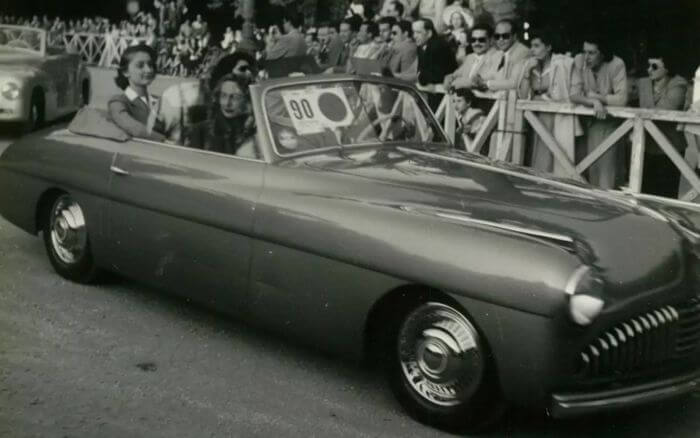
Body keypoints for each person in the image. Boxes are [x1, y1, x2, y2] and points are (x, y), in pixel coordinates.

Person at [518, 29, 581, 175]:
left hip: (556, 116)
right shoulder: (530, 65)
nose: (532, 50)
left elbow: (563, 94)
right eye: (531, 46)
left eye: (537, 46)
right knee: (536, 153)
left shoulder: (560, 64)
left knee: (556, 155)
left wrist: (542, 98)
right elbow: (523, 96)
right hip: (535, 116)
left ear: (548, 47)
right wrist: (527, 72)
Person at [570, 35, 628, 189]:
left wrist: (597, 97)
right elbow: (574, 95)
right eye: (585, 52)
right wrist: (593, 102)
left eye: (592, 53)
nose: (586, 57)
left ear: (602, 53)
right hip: (583, 126)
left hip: (608, 125)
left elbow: (622, 99)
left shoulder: (616, 64)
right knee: (583, 176)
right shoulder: (579, 60)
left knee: (606, 177)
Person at [637, 50, 688, 197]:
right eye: (648, 65)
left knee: (667, 195)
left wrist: (645, 110)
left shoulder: (678, 83)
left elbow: (664, 111)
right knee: (645, 194)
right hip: (647, 146)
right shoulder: (644, 83)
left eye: (654, 67)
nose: (649, 70)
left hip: (671, 147)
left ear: (667, 69)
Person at [186, 74, 256, 157]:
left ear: (248, 101)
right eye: (223, 96)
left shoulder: (256, 131)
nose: (227, 103)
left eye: (235, 97)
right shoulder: (200, 131)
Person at [108, 44, 165, 141]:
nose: (148, 70)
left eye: (150, 65)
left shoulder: (159, 100)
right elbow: (135, 129)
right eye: (140, 66)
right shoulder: (118, 102)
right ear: (125, 72)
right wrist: (165, 140)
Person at [409, 18, 457, 110]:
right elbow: (422, 72)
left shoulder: (439, 46)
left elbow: (437, 75)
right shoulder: (421, 46)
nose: (414, 36)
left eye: (418, 32)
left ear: (429, 33)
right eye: (413, 32)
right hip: (430, 91)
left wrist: (421, 77)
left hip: (445, 95)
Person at [444, 24, 500, 90]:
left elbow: (478, 82)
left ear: (490, 41)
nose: (476, 43)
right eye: (473, 40)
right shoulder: (470, 57)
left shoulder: (497, 56)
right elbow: (456, 74)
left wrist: (456, 83)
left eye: (481, 40)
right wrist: (449, 78)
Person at [484, 19, 530, 92]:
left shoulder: (522, 52)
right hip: (497, 95)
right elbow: (491, 75)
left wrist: (486, 83)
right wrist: (479, 80)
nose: (500, 39)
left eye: (505, 36)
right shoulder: (498, 54)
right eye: (497, 36)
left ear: (514, 36)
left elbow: (514, 83)